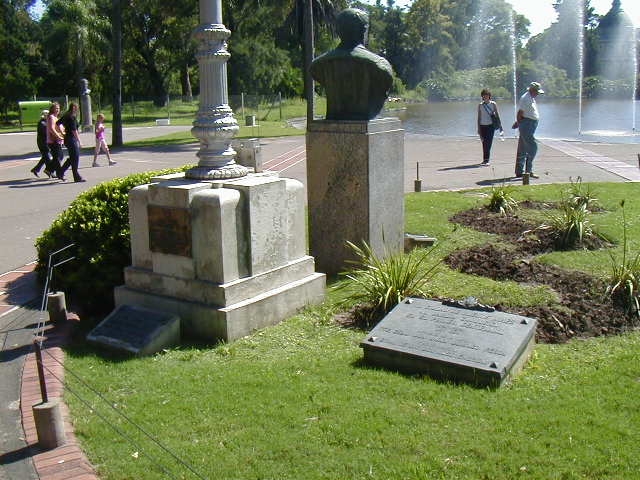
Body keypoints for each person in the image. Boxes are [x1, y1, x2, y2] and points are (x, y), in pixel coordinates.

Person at [310, 8, 393, 121]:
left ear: (338, 31)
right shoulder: (379, 65)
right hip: (366, 119)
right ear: (364, 31)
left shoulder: (318, 65)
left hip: (334, 119)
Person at [513, 82, 544, 178]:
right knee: (533, 147)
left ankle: (520, 171)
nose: (538, 94)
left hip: (529, 124)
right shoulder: (526, 98)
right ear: (532, 90)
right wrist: (518, 123)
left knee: (522, 148)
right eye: (537, 92)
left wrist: (518, 123)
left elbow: (525, 112)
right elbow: (520, 113)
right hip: (527, 125)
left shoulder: (530, 98)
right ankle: (528, 170)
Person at [58, 102, 85, 182]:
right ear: (73, 108)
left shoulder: (67, 115)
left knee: (73, 157)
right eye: (76, 108)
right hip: (71, 139)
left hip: (67, 138)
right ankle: (76, 176)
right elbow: (74, 130)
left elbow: (58, 123)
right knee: (75, 157)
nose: (76, 109)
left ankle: (61, 172)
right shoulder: (71, 117)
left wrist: (62, 132)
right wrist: (79, 141)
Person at [477, 89, 502, 165]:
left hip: (491, 126)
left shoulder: (493, 104)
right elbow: (479, 117)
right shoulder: (480, 105)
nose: (485, 96)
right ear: (482, 96)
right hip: (482, 126)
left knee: (489, 142)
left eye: (487, 95)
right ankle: (485, 159)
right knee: (484, 143)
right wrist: (478, 128)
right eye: (484, 95)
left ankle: (487, 160)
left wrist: (500, 125)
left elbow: (497, 115)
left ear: (489, 96)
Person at [46, 102, 66, 181]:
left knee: (60, 156)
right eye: (56, 108)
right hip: (52, 140)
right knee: (57, 158)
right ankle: (60, 174)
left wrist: (64, 134)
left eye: (58, 108)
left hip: (58, 140)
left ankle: (49, 169)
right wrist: (58, 136)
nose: (57, 110)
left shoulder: (56, 117)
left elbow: (60, 128)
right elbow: (51, 129)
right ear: (52, 109)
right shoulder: (51, 117)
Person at [30, 109, 53, 177]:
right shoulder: (42, 123)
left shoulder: (47, 122)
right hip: (42, 143)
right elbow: (44, 133)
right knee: (47, 157)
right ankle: (50, 171)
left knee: (45, 157)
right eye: (47, 115)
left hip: (46, 142)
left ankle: (36, 169)